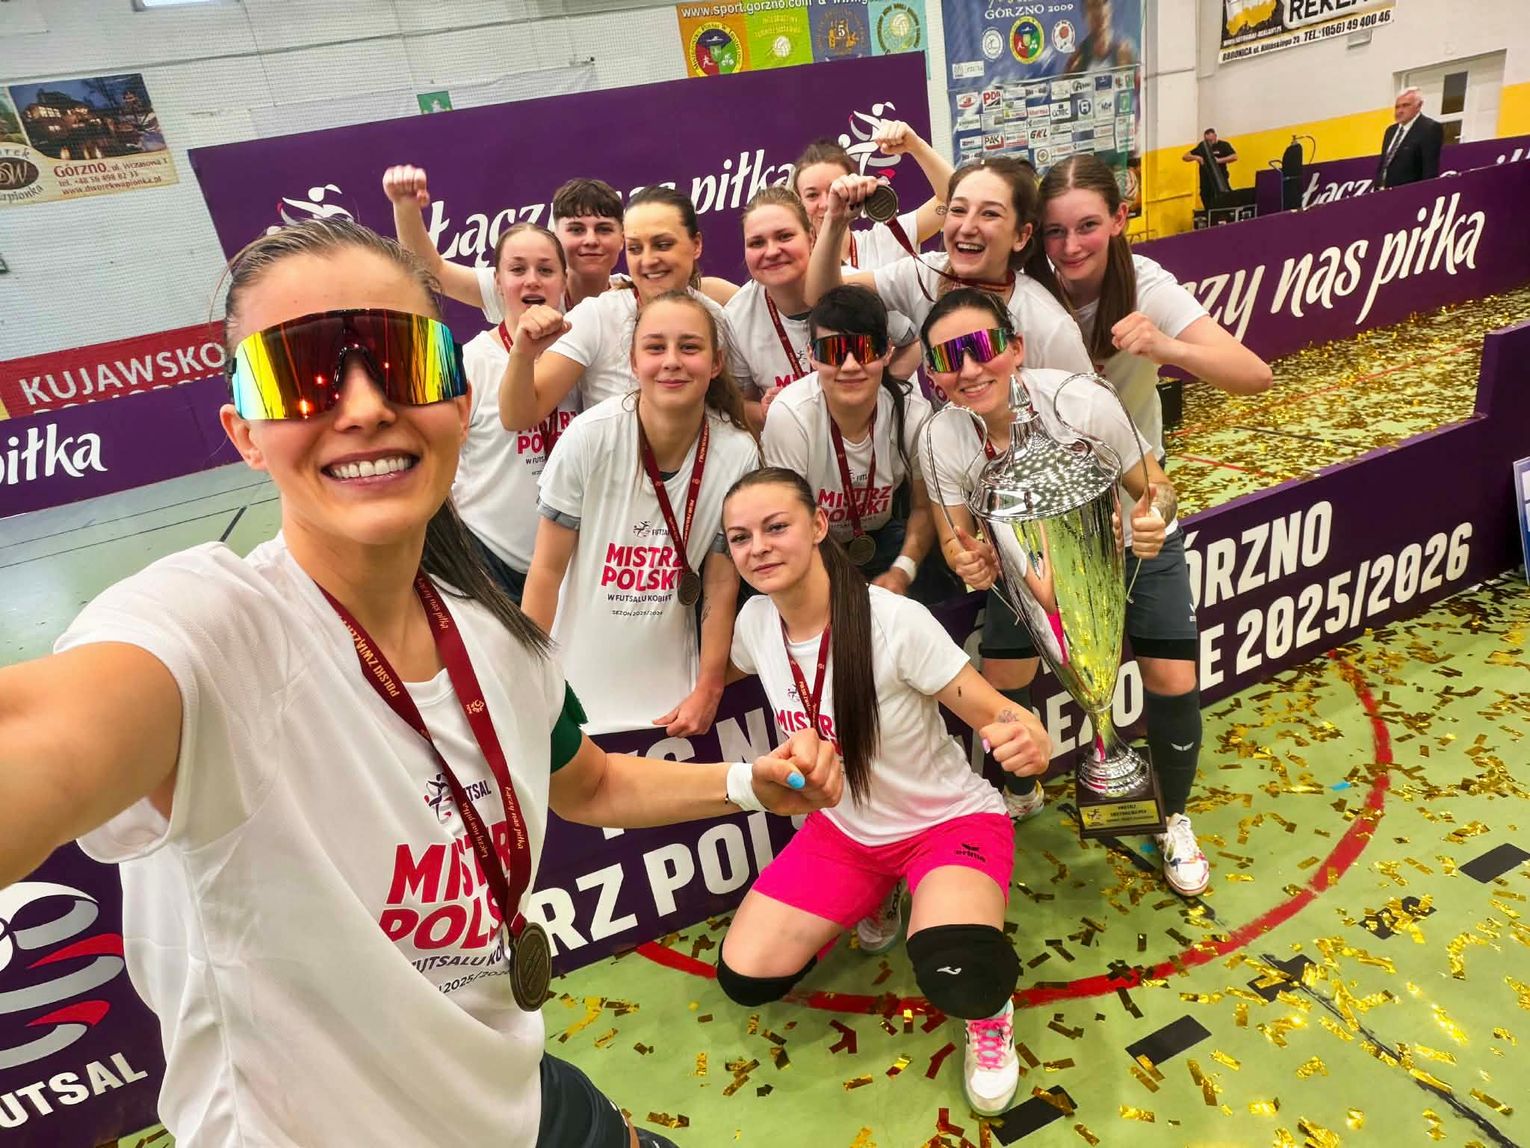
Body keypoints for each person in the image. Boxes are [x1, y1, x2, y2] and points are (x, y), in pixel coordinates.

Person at [0, 219, 840, 1147]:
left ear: (458, 400)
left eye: (403, 360)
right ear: (245, 433)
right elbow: (42, 740)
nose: (364, 406)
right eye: (298, 372)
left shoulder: (498, 641)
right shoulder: (206, 635)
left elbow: (592, 784)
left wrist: (746, 783)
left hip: (514, 1095)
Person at [713, 466, 1051, 1117]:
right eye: (741, 537)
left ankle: (990, 1015)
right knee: (745, 976)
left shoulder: (893, 620)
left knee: (960, 970)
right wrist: (695, 689)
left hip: (947, 826)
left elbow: (998, 712)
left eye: (776, 527)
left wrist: (1027, 736)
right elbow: (719, 666)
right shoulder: (756, 621)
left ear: (818, 525)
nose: (759, 548)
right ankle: (879, 890)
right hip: (844, 834)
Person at [920, 287, 1213, 896]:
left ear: (1016, 348)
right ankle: (1021, 791)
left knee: (1172, 677)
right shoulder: (939, 436)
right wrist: (969, 560)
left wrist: (1152, 516)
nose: (969, 370)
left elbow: (1156, 485)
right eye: (948, 358)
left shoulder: (1082, 399)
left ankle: (1173, 818)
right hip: (1028, 563)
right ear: (933, 373)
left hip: (1127, 545)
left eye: (982, 347)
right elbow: (955, 537)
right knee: (1002, 677)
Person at [522, 291, 760, 736]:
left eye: (689, 347)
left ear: (716, 363)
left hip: (672, 698)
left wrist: (709, 686)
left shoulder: (737, 452)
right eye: (655, 347)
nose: (672, 361)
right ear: (633, 362)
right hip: (574, 689)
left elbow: (720, 583)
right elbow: (545, 573)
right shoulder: (590, 437)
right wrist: (530, 681)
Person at [1033, 153, 1273, 464]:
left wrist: (1168, 349)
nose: (1071, 246)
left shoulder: (1146, 287)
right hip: (1059, 475)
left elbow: (1256, 375)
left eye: (1088, 225)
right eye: (1055, 231)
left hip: (1137, 471)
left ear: (1119, 218)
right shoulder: (1030, 290)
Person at [805, 157, 1094, 378]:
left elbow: (1092, 416)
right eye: (958, 210)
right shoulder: (925, 275)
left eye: (990, 214)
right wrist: (835, 220)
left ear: (1021, 236)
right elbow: (822, 295)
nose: (967, 227)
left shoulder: (1049, 326)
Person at [500, 185, 743, 432]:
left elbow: (733, 409)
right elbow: (518, 418)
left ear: (696, 244)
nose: (648, 260)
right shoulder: (596, 316)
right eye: (635, 248)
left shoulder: (716, 317)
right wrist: (522, 354)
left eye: (662, 244)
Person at [760, 285, 938, 600]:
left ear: (887, 352)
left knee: (933, 576)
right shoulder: (790, 415)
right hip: (811, 545)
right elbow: (784, 524)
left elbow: (924, 507)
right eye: (834, 351)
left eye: (866, 349)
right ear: (811, 355)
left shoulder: (913, 413)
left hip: (884, 538)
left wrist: (901, 572)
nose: (851, 365)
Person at [455, 222, 577, 602]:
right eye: (517, 269)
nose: (532, 280)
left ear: (564, 280)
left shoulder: (581, 358)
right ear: (497, 281)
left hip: (569, 569)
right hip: (487, 564)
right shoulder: (468, 363)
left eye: (546, 269)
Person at [384, 166, 627, 313]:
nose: (590, 240)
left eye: (604, 229)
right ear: (556, 237)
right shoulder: (518, 286)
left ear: (623, 239)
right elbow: (433, 272)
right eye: (576, 230)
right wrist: (405, 206)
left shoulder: (635, 296)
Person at [791, 123, 954, 272]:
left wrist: (916, 146)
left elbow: (950, 201)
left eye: (836, 190)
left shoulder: (885, 241)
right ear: (799, 202)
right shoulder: (793, 265)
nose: (826, 204)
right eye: (812, 195)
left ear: (855, 188)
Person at [1375, 88, 1444, 190]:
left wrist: (1425, 193)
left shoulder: (1429, 128)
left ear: (1419, 105)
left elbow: (1429, 169)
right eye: (1397, 107)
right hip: (1382, 192)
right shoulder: (1390, 131)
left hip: (1409, 193)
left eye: (1405, 105)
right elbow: (1384, 164)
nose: (1400, 111)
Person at [1065, 0, 1138, 72]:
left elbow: (1140, 76)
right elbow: (1065, 78)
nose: (1100, 10)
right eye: (1093, 5)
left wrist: (1124, 69)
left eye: (1104, 2)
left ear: (1110, 9)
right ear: (1085, 16)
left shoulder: (1126, 50)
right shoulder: (1078, 58)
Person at [1183, 128, 1236, 210]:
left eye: (1211, 140)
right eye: (1207, 140)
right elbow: (1185, 156)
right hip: (1206, 181)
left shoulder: (1223, 145)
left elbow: (1234, 157)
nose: (1209, 143)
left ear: (1215, 136)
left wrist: (1219, 161)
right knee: (1206, 198)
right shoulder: (1202, 147)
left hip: (1221, 180)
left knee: (1225, 198)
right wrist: (1197, 157)